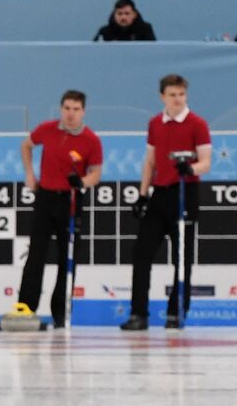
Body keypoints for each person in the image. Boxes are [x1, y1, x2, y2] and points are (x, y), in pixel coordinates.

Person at [121, 74, 212, 330]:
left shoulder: (197, 124)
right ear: (163, 96)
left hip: (185, 192)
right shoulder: (155, 124)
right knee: (141, 253)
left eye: (181, 94)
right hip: (160, 194)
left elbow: (206, 161)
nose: (177, 100)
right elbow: (150, 161)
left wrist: (190, 169)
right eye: (172, 95)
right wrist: (142, 194)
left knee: (182, 258)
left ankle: (176, 313)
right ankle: (139, 314)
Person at [17, 91, 104, 327]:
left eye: (75, 109)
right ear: (61, 109)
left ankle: (60, 311)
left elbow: (96, 173)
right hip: (45, 197)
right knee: (36, 253)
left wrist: (83, 182)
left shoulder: (91, 140)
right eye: (66, 108)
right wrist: (30, 174)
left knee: (68, 257)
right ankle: (25, 307)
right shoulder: (47, 129)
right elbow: (26, 145)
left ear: (83, 111)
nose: (70, 114)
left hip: (71, 200)